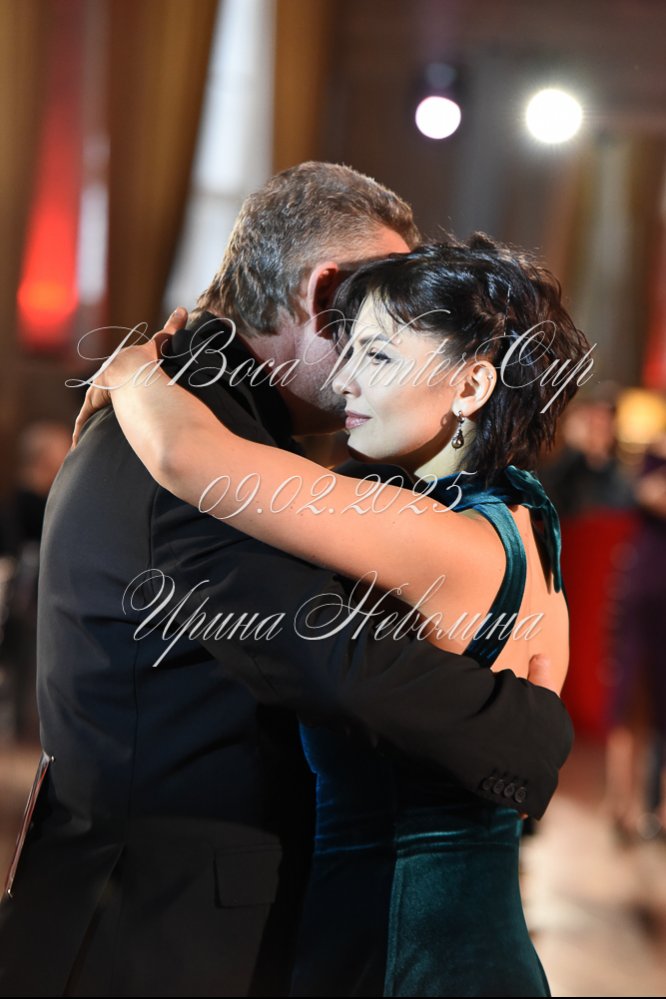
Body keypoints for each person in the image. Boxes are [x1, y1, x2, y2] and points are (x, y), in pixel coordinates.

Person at [0, 164, 571, 999]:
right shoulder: (196, 446)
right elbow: (337, 665)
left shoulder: (216, 430)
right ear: (325, 293)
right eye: (373, 316)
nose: (359, 367)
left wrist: (132, 373)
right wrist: (534, 732)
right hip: (156, 937)